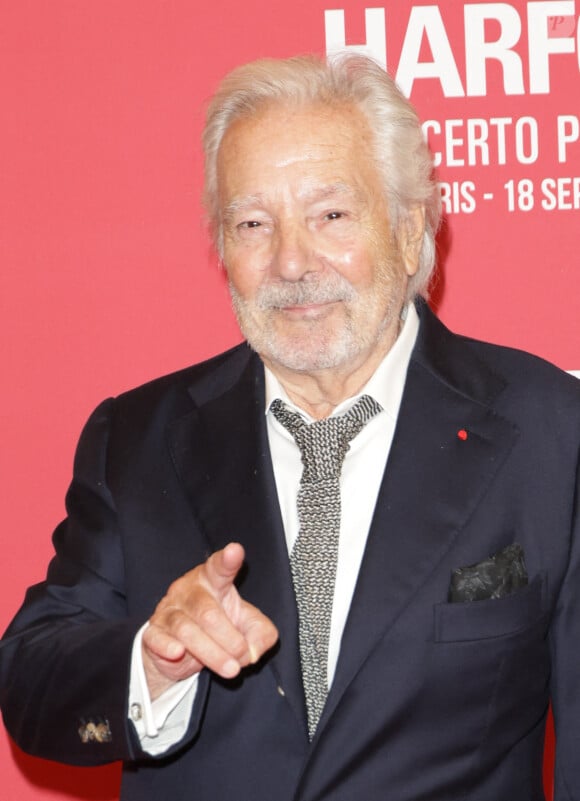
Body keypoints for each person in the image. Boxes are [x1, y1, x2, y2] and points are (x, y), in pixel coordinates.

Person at [1, 53, 579, 801]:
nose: (291, 261)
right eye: (252, 223)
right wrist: (153, 658)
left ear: (409, 231)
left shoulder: (549, 433)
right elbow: (33, 679)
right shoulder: (139, 437)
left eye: (331, 215)